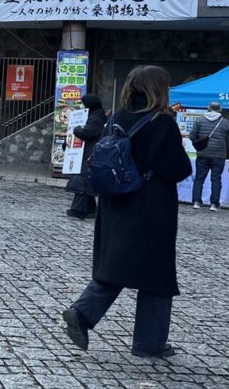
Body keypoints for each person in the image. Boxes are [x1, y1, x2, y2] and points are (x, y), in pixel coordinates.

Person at [61, 65, 192, 359]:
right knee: (157, 275)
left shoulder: (116, 117)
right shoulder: (162, 122)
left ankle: (82, 312)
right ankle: (149, 342)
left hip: (115, 201)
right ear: (159, 89)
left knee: (116, 264)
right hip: (150, 206)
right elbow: (179, 168)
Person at [64, 95, 107, 220]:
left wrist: (75, 128)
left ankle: (78, 210)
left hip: (89, 152)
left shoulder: (95, 118)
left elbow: (87, 133)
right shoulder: (93, 116)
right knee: (85, 179)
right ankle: (90, 209)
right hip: (85, 151)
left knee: (82, 180)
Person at [189, 101, 229, 211]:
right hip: (219, 155)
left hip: (202, 153)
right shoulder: (226, 122)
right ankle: (214, 204)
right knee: (216, 179)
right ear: (220, 109)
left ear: (208, 108)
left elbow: (191, 136)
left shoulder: (200, 120)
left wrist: (199, 143)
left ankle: (196, 202)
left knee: (199, 179)